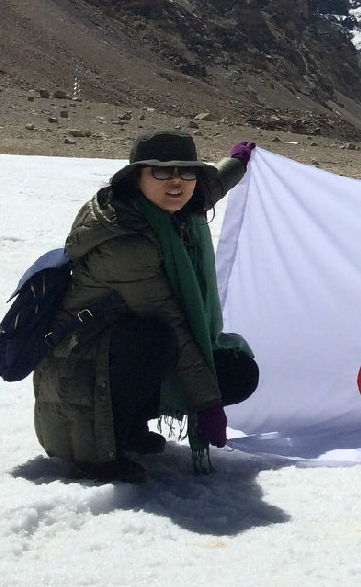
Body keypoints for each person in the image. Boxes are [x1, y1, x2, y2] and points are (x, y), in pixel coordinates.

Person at [33, 130, 259, 482]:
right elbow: (172, 325)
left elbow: (208, 189)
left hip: (111, 359)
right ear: (136, 177)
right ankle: (100, 452)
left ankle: (129, 425)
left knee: (236, 371)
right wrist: (208, 404)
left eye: (186, 171)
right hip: (76, 382)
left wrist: (238, 162)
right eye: (161, 171)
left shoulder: (170, 211)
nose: (176, 182)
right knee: (155, 340)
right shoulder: (125, 239)